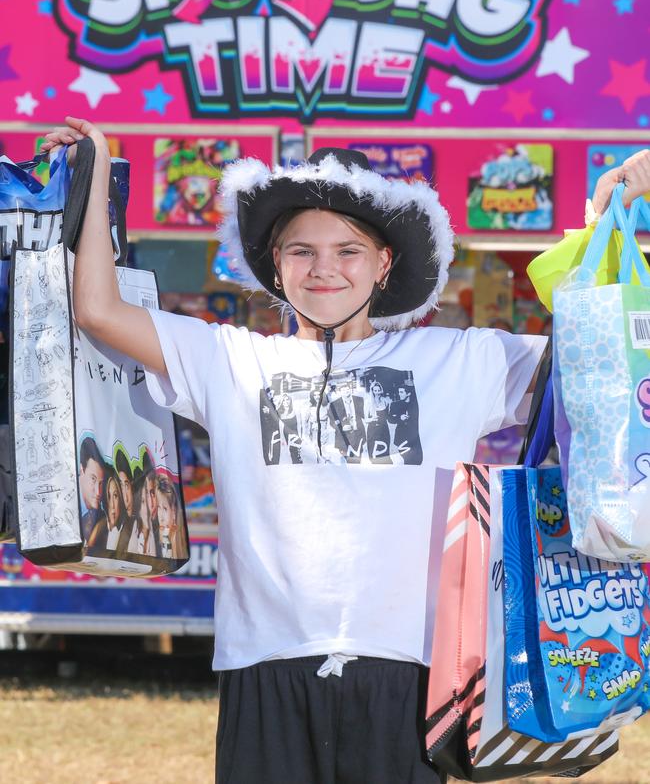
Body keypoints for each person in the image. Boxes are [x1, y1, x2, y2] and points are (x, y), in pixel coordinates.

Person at [42, 117, 650, 784]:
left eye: (349, 250)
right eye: (301, 250)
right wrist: (95, 169)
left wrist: (612, 222)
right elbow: (97, 309)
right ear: (275, 265)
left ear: (385, 263)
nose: (324, 267)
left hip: (413, 677)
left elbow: (608, 361)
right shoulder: (230, 357)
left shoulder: (458, 357)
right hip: (263, 667)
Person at [78, 435, 105, 543]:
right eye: (93, 479)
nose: (98, 492)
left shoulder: (101, 517)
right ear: (82, 471)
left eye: (101, 483)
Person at [88, 470, 123, 551]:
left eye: (115, 496)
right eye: (109, 496)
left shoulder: (127, 528)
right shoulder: (100, 526)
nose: (112, 505)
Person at [154, 474, 187, 559]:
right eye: (158, 507)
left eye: (165, 509)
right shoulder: (151, 539)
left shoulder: (179, 540)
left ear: (174, 511)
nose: (160, 517)